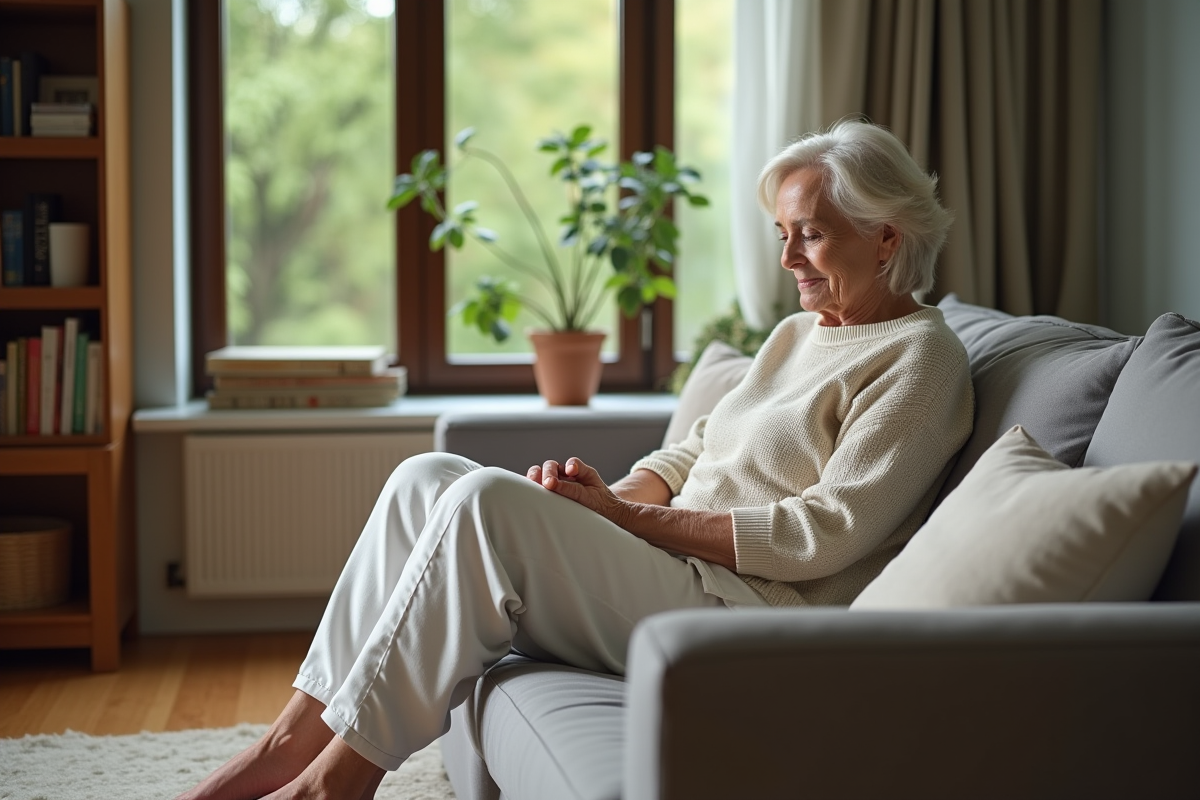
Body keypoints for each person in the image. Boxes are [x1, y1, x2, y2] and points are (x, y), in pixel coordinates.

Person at [178, 118, 974, 800]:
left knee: (484, 505)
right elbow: (696, 448)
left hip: (753, 613)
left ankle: (335, 781)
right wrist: (598, 497)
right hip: (678, 567)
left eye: (811, 234)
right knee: (425, 478)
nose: (789, 257)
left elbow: (822, 534)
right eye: (782, 235)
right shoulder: (800, 333)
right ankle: (288, 739)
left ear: (885, 236)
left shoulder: (921, 359)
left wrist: (626, 519)